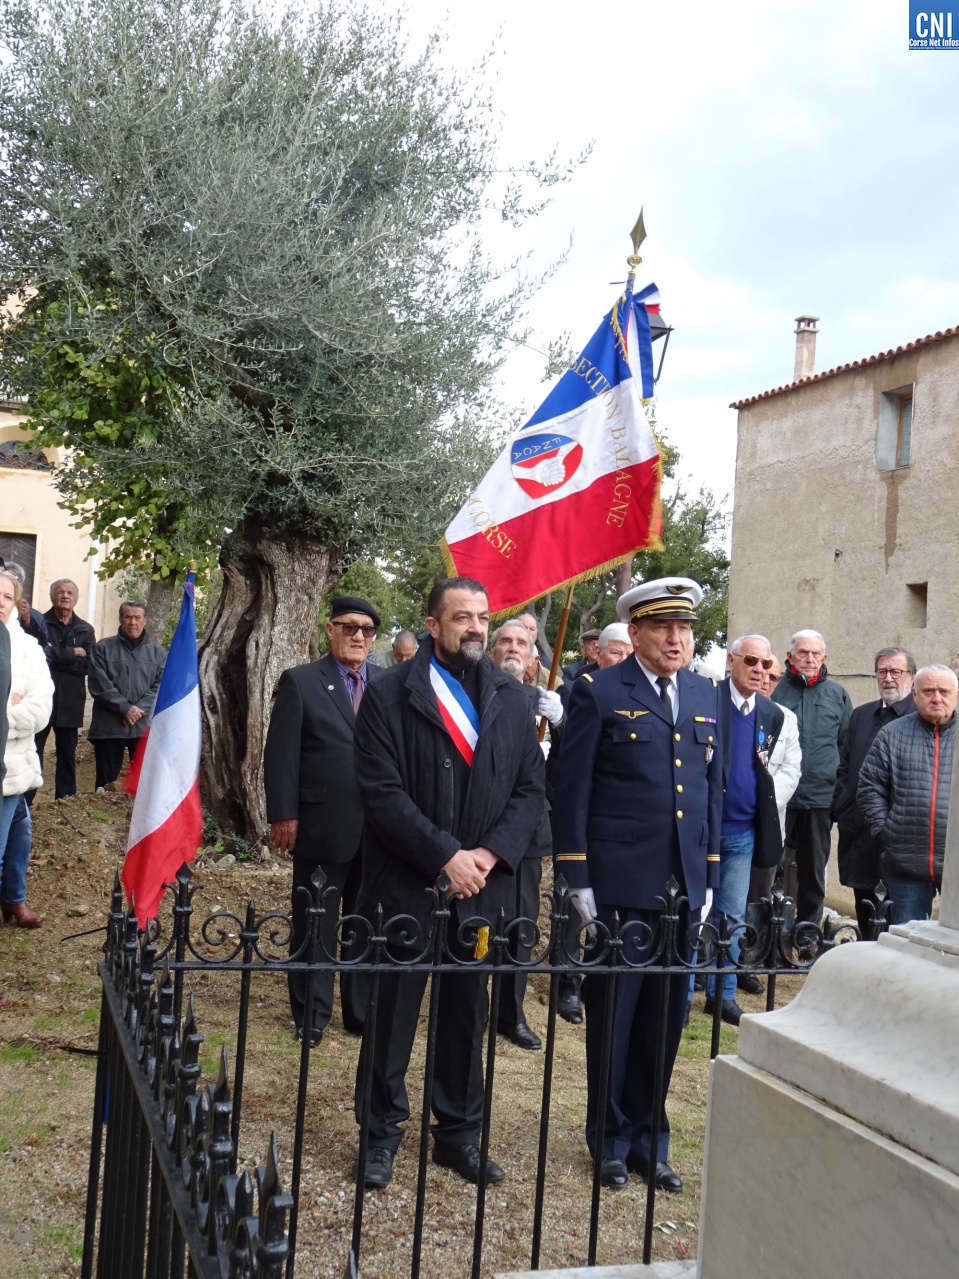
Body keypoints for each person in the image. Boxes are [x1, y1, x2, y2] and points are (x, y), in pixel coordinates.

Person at [352, 577, 544, 1189]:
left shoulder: (512, 700)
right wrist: (445, 856)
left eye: (483, 616)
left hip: (480, 893)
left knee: (466, 1016)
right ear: (433, 625)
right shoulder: (388, 696)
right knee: (392, 1020)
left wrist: (487, 855)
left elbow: (530, 789)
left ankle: (458, 1136)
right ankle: (379, 1135)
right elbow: (381, 793)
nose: (477, 628)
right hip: (407, 889)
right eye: (463, 617)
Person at [552, 577, 722, 1193]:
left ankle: (653, 1138)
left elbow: (712, 791)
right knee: (615, 1019)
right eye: (663, 628)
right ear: (639, 631)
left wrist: (707, 880)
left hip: (682, 889)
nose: (676, 639)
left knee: (667, 1020)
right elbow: (571, 791)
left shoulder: (706, 693)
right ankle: (611, 1139)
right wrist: (578, 876)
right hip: (620, 885)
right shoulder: (598, 691)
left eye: (684, 629)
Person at [264, 595, 387, 1046]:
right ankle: (311, 1015)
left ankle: (358, 1012)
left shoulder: (387, 683)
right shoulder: (301, 681)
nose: (358, 636)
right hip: (320, 823)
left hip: (378, 830)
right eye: (349, 627)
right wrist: (283, 814)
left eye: (366, 630)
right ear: (330, 629)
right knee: (315, 920)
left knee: (365, 921)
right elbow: (280, 755)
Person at [702, 635, 787, 1023]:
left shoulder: (771, 713)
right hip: (702, 828)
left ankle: (723, 994)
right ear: (732, 661)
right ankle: (683, 988)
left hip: (743, 832)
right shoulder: (706, 698)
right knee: (693, 912)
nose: (759, 670)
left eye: (766, 665)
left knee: (732, 916)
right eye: (751, 661)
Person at [489, 619, 563, 1051]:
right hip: (478, 830)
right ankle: (472, 1008)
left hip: (528, 833)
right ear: (492, 650)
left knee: (521, 926)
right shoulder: (472, 693)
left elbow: (570, 767)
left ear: (535, 660)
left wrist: (560, 724)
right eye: (505, 641)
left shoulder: (546, 702)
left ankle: (510, 1014)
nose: (513, 648)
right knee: (475, 925)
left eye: (522, 642)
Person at [857, 665, 957, 927]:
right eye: (929, 691)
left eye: (944, 691)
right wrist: (885, 831)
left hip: (956, 863)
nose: (937, 698)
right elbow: (870, 787)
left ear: (956, 695)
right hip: (905, 864)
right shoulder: (892, 733)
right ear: (914, 695)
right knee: (906, 942)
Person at [832, 648, 917, 936]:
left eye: (896, 672)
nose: (888, 678)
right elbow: (843, 767)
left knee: (900, 926)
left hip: (901, 840)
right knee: (867, 918)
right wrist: (843, 808)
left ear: (912, 677)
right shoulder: (861, 715)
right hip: (859, 836)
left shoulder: (920, 716)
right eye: (882, 671)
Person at [771, 629, 852, 925]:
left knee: (813, 873)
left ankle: (807, 934)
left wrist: (836, 793)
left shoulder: (837, 695)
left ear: (824, 657)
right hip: (777, 798)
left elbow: (847, 746)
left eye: (815, 653)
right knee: (768, 868)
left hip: (819, 798)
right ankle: (768, 931)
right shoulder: (775, 691)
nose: (809, 658)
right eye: (802, 653)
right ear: (790, 656)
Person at [0, 570, 53, 927]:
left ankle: (13, 899)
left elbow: (40, 709)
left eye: (6, 597)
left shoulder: (27, 649)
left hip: (16, 760)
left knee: (21, 826)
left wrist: (6, 713)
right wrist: (10, 703)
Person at [87, 602, 166, 791]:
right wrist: (124, 708)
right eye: (128, 617)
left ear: (144, 621)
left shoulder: (158, 652)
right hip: (109, 727)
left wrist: (139, 710)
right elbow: (99, 684)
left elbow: (161, 684)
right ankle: (102, 818)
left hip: (143, 728)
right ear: (121, 619)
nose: (132, 622)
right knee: (105, 785)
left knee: (144, 783)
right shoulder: (103, 648)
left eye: (137, 617)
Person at [748, 656, 802, 910]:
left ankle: (754, 949)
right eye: (760, 672)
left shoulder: (786, 718)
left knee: (759, 899)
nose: (764, 680)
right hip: (729, 821)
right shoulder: (720, 707)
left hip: (768, 823)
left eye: (773, 677)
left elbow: (791, 770)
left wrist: (762, 805)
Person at [38, 578, 96, 799]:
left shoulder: (85, 629)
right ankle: (24, 803)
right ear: (52, 597)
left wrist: (55, 654)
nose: (65, 596)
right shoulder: (40, 624)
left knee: (67, 757)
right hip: (41, 699)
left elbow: (89, 665)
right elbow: (38, 657)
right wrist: (73, 653)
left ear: (76, 598)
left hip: (71, 702)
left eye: (70, 592)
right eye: (60, 592)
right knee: (33, 754)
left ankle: (65, 801)